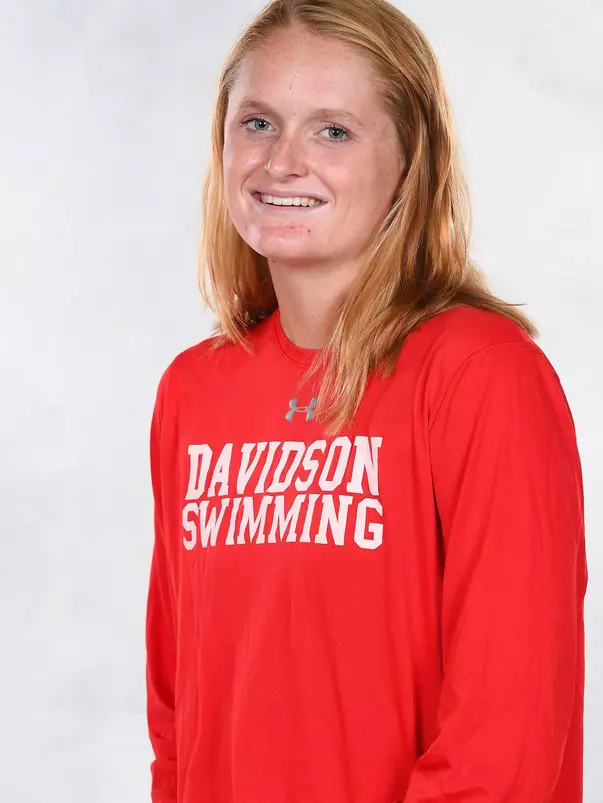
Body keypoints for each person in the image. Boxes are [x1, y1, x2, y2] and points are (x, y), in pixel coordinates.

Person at [145, 1, 588, 801]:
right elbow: (178, 710)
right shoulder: (193, 390)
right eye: (257, 123)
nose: (282, 162)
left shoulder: (481, 372)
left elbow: (506, 729)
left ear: (410, 162)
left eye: (333, 131)